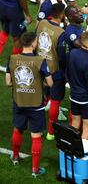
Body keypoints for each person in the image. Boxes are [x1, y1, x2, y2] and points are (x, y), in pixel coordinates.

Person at [6, 31, 53, 177]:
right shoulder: (40, 60)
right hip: (36, 104)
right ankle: (34, 170)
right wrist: (43, 82)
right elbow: (50, 82)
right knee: (36, 136)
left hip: (19, 101)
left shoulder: (12, 59)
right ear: (33, 43)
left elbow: (8, 83)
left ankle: (15, 157)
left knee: (17, 129)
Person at [35, 3, 67, 141]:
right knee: (55, 101)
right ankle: (51, 132)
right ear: (61, 15)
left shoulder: (41, 23)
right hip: (54, 70)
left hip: (40, 65)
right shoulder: (61, 33)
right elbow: (61, 56)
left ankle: (38, 126)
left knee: (43, 96)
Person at [67, 32, 88, 140]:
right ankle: (85, 154)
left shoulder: (72, 53)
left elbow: (68, 72)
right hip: (86, 100)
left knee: (75, 124)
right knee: (87, 129)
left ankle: (72, 149)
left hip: (74, 96)